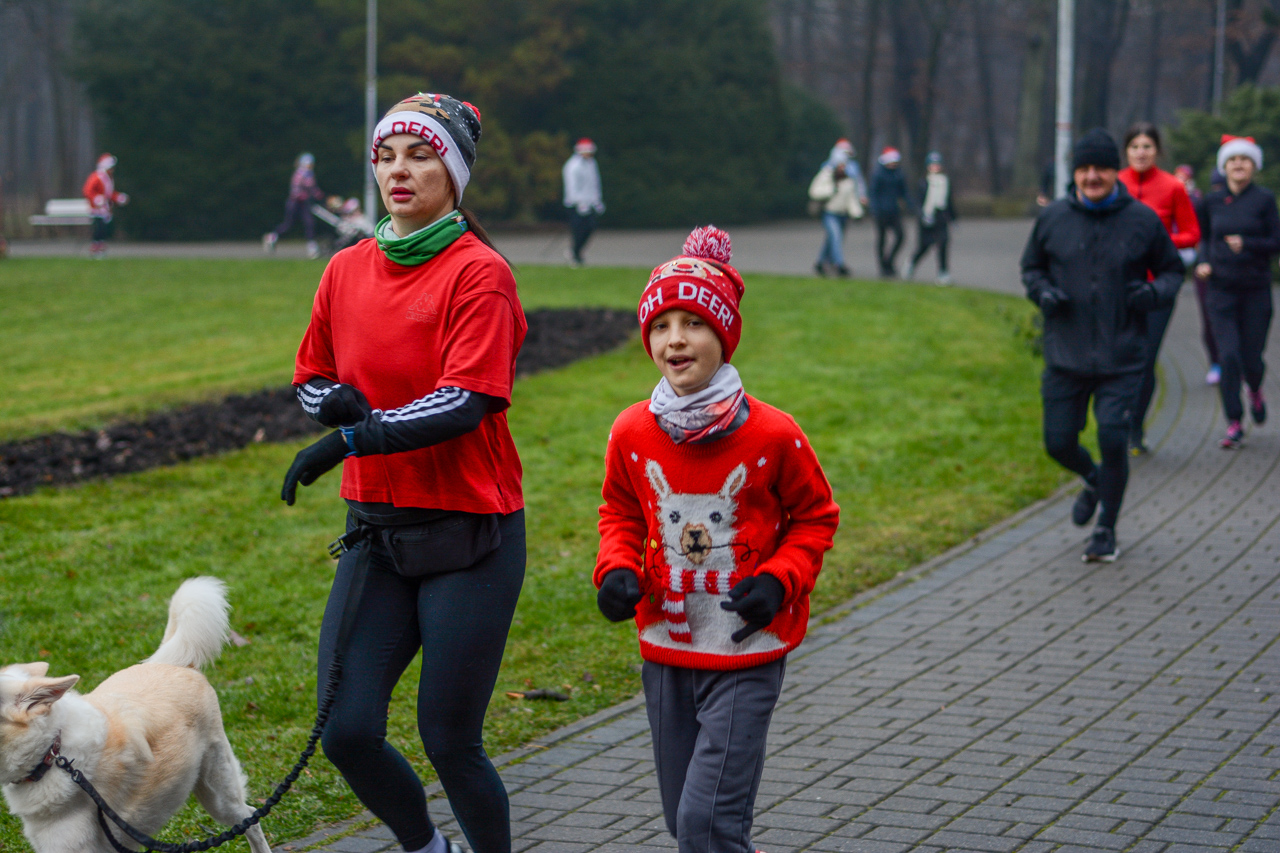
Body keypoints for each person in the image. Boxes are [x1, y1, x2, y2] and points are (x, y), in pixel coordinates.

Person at [282, 92, 528, 853]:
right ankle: (427, 847)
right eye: (386, 155)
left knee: (449, 738)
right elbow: (309, 375)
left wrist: (353, 439)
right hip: (378, 536)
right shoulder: (345, 268)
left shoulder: (479, 274)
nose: (399, 170)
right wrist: (334, 407)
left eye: (420, 154)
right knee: (346, 731)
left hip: (470, 534)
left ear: (453, 172)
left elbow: (465, 401)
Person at [594, 225, 840, 853]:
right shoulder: (631, 431)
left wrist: (778, 581)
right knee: (687, 823)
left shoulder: (773, 434)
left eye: (694, 323)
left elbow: (817, 517)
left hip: (746, 649)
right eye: (660, 326)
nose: (675, 339)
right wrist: (616, 569)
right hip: (666, 646)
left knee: (708, 825)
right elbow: (621, 510)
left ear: (724, 336)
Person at [1020, 128, 1183, 563]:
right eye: (1084, 168)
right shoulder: (1053, 218)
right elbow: (1031, 268)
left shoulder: (1142, 220)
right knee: (1057, 443)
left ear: (1116, 172)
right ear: (1074, 172)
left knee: (1113, 438)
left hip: (1121, 354)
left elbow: (1171, 272)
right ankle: (1093, 479)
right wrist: (1044, 294)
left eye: (1101, 168)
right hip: (1065, 353)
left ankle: (1106, 529)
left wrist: (1151, 295)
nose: (1092, 176)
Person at [1117, 123, 1200, 455]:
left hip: (1158, 287)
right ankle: (1115, 421)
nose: (1141, 152)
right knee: (1119, 356)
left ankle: (1136, 425)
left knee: (1145, 358)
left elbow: (1192, 234)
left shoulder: (1172, 187)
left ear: (1157, 151)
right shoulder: (1114, 183)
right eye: (1135, 146)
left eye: (1147, 146)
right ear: (1126, 151)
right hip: (1119, 286)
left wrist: (1160, 243)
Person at [1195, 134, 1280, 449]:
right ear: (1225, 166)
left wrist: (1249, 244)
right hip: (1221, 290)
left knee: (1251, 358)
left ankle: (1255, 391)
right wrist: (1203, 263)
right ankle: (1234, 421)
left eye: (1245, 160)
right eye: (1233, 160)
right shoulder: (1211, 201)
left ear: (1254, 166)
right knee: (1228, 357)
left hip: (1255, 289)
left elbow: (1276, 242)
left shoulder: (1264, 199)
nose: (1238, 165)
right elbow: (1203, 238)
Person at [1179, 164, 1223, 385]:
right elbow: (1200, 236)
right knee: (1209, 319)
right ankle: (1217, 362)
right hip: (1205, 271)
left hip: (1237, 275)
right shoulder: (1205, 204)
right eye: (1216, 186)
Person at [809, 138, 868, 277]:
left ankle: (820, 263)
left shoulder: (849, 177)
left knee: (832, 239)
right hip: (830, 213)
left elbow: (851, 199)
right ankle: (839, 265)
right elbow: (814, 191)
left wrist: (857, 213)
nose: (842, 166)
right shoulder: (826, 174)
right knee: (835, 237)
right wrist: (832, 190)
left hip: (843, 214)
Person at [906, 151, 957, 285]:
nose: (935, 167)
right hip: (927, 218)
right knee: (924, 246)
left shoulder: (946, 182)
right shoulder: (923, 182)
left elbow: (949, 202)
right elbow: (918, 202)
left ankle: (943, 272)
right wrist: (922, 215)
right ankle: (911, 263)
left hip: (941, 217)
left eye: (937, 164)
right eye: (932, 165)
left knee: (943, 244)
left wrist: (954, 218)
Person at [263, 152, 325, 259]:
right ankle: (272, 236)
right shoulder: (299, 174)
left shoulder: (309, 174)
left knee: (309, 223)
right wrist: (315, 194)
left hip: (304, 203)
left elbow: (313, 189)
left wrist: (320, 195)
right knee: (288, 224)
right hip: (295, 203)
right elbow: (302, 188)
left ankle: (312, 247)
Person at [869, 147, 914, 277]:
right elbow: (873, 193)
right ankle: (883, 265)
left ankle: (889, 260)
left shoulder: (898, 174)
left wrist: (911, 205)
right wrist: (874, 209)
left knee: (900, 236)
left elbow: (903, 192)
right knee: (882, 239)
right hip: (881, 212)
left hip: (894, 211)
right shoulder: (878, 174)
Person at [562, 137, 604, 266]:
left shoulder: (592, 163)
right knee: (578, 230)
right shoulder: (573, 166)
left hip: (589, 203)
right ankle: (575, 254)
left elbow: (595, 183)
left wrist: (597, 201)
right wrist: (579, 202)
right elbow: (572, 187)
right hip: (576, 205)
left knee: (590, 228)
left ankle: (577, 252)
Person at [82, 153, 129, 259]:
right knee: (98, 228)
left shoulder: (108, 178)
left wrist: (119, 198)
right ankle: (95, 248)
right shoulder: (96, 177)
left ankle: (100, 247)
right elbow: (88, 190)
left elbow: (109, 193)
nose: (112, 170)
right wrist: (96, 199)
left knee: (103, 229)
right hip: (96, 208)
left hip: (105, 209)